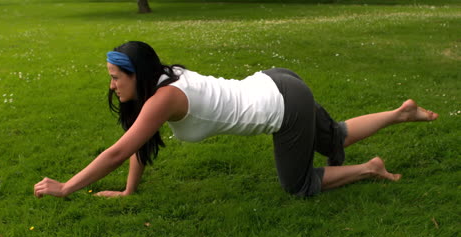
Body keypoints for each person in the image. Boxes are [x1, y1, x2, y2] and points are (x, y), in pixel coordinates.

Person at [34, 41, 439, 198]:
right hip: (277, 81)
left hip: (283, 107)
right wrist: (126, 193)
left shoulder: (162, 99)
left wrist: (67, 187)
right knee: (334, 136)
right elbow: (139, 143)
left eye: (114, 78)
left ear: (136, 75)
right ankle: (402, 113)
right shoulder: (166, 79)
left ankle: (370, 167)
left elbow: (121, 149)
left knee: (297, 185)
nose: (111, 86)